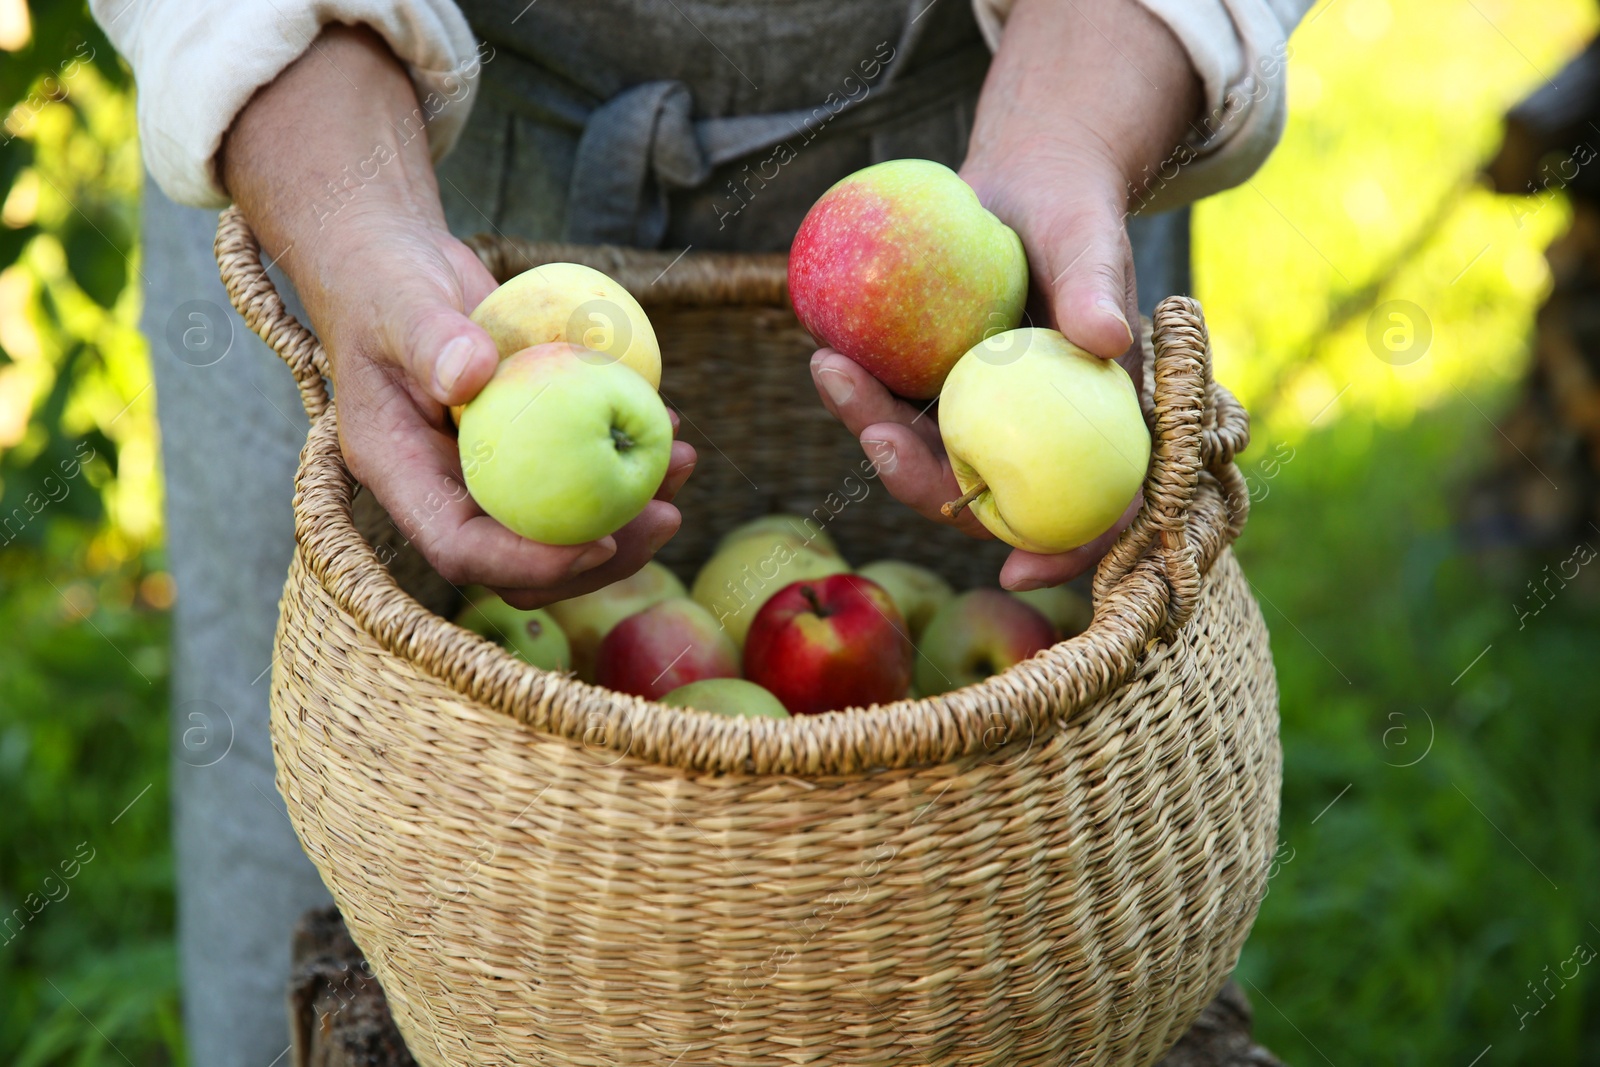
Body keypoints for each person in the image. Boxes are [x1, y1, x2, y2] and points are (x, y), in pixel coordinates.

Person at [92, 0, 1309, 1062]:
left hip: (1016, 142)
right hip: (356, 172)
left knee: (1036, 903)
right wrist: (351, 230)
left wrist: (1070, 130)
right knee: (335, 831)